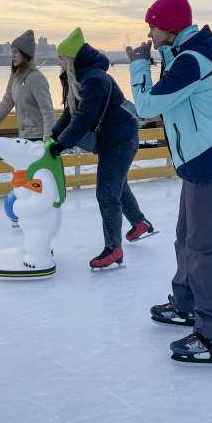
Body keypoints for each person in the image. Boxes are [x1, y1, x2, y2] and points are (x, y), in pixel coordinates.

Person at [126, 0, 212, 365]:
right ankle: (185, 304)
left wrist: (140, 66)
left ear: (170, 28)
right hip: (196, 163)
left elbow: (146, 106)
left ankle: (210, 336)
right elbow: (163, 108)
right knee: (184, 239)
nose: (149, 36)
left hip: (210, 165)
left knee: (202, 249)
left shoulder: (191, 62)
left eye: (153, 27)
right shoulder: (182, 58)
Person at [49, 27, 152, 269]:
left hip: (120, 140)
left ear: (72, 59)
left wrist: (62, 143)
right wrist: (53, 135)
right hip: (117, 138)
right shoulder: (85, 77)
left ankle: (114, 248)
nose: (59, 64)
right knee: (116, 185)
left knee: (106, 192)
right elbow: (71, 111)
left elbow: (84, 117)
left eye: (61, 59)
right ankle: (139, 223)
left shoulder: (94, 79)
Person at [0, 29, 56, 145]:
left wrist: (48, 140)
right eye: (12, 52)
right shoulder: (15, 77)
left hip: (39, 138)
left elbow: (47, 111)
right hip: (25, 136)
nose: (13, 56)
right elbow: (7, 102)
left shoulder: (36, 78)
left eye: (16, 52)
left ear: (25, 54)